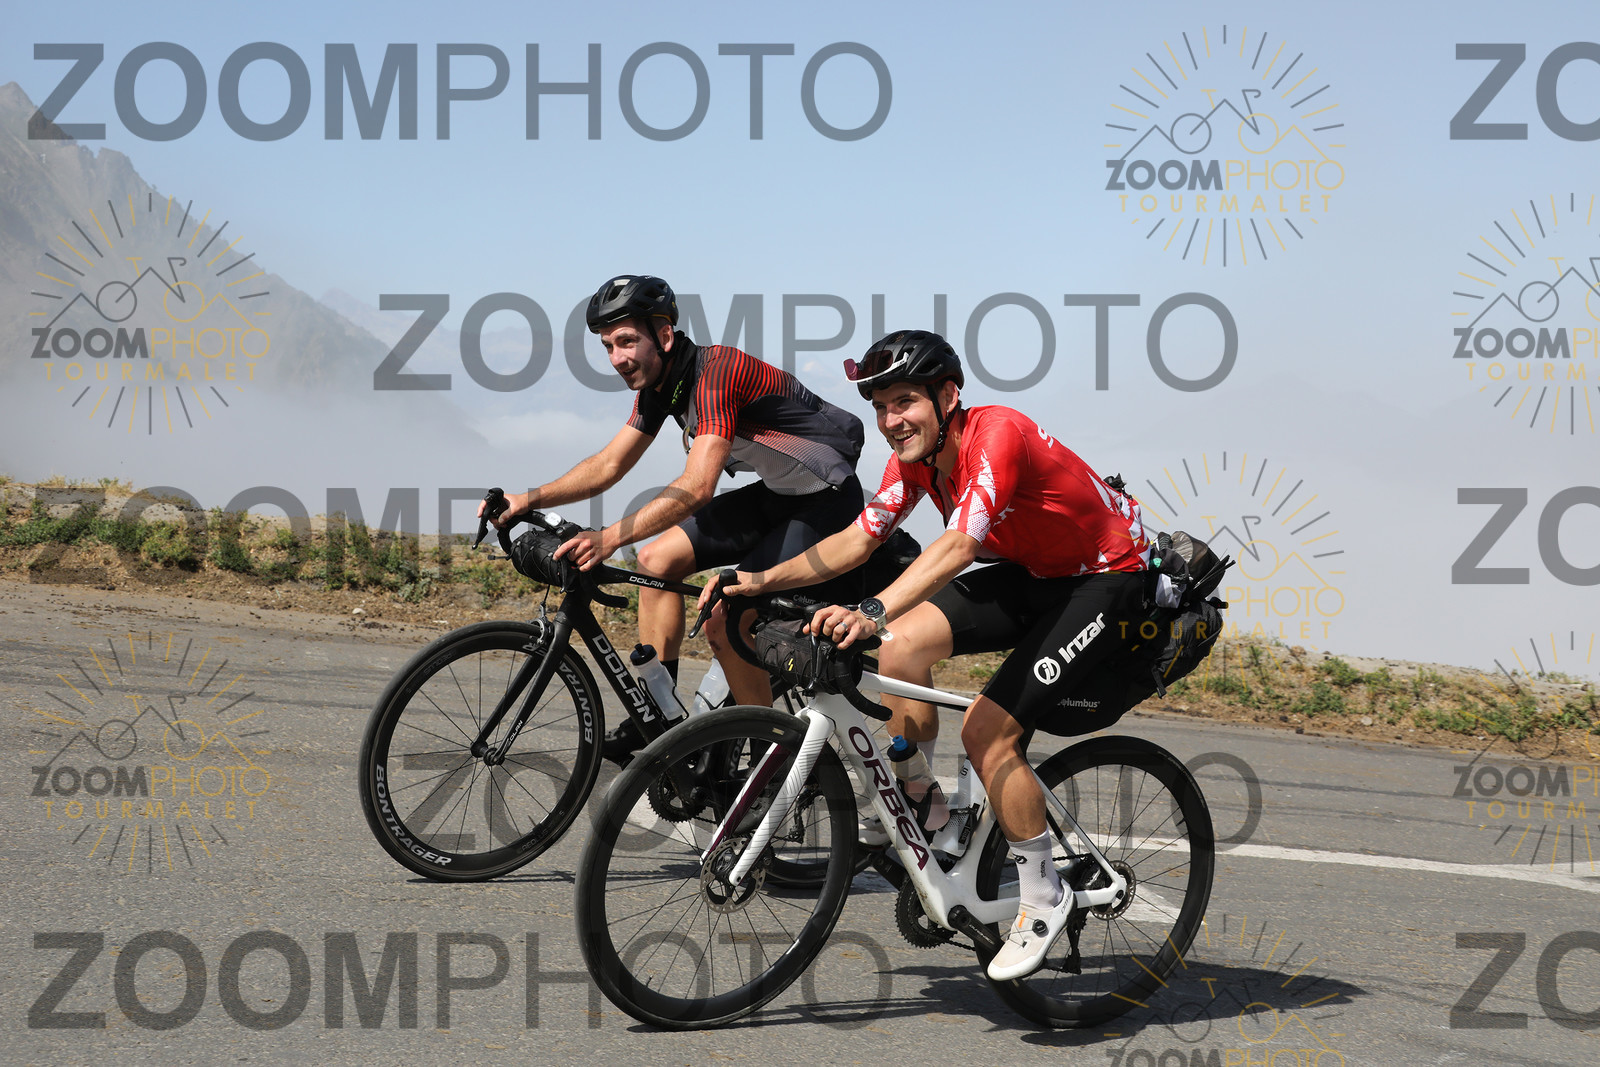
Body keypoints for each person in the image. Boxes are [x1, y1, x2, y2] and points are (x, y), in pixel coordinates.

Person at [700, 329, 1152, 982]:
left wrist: (871, 608)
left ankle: (1043, 894)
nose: (891, 420)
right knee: (901, 645)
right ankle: (929, 807)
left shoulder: (997, 434)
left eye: (905, 401)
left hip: (1108, 576)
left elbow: (960, 546)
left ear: (948, 396)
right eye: (881, 407)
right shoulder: (915, 459)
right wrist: (758, 581)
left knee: (987, 731)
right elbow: (858, 540)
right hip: (1038, 572)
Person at [482, 275, 866, 763]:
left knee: (725, 619)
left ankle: (770, 754)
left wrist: (607, 538)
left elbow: (698, 486)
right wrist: (527, 498)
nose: (617, 357)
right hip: (777, 495)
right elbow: (609, 465)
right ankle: (658, 716)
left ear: (664, 335)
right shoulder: (664, 382)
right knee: (655, 560)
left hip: (826, 500)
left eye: (627, 341)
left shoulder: (716, 374)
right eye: (607, 346)